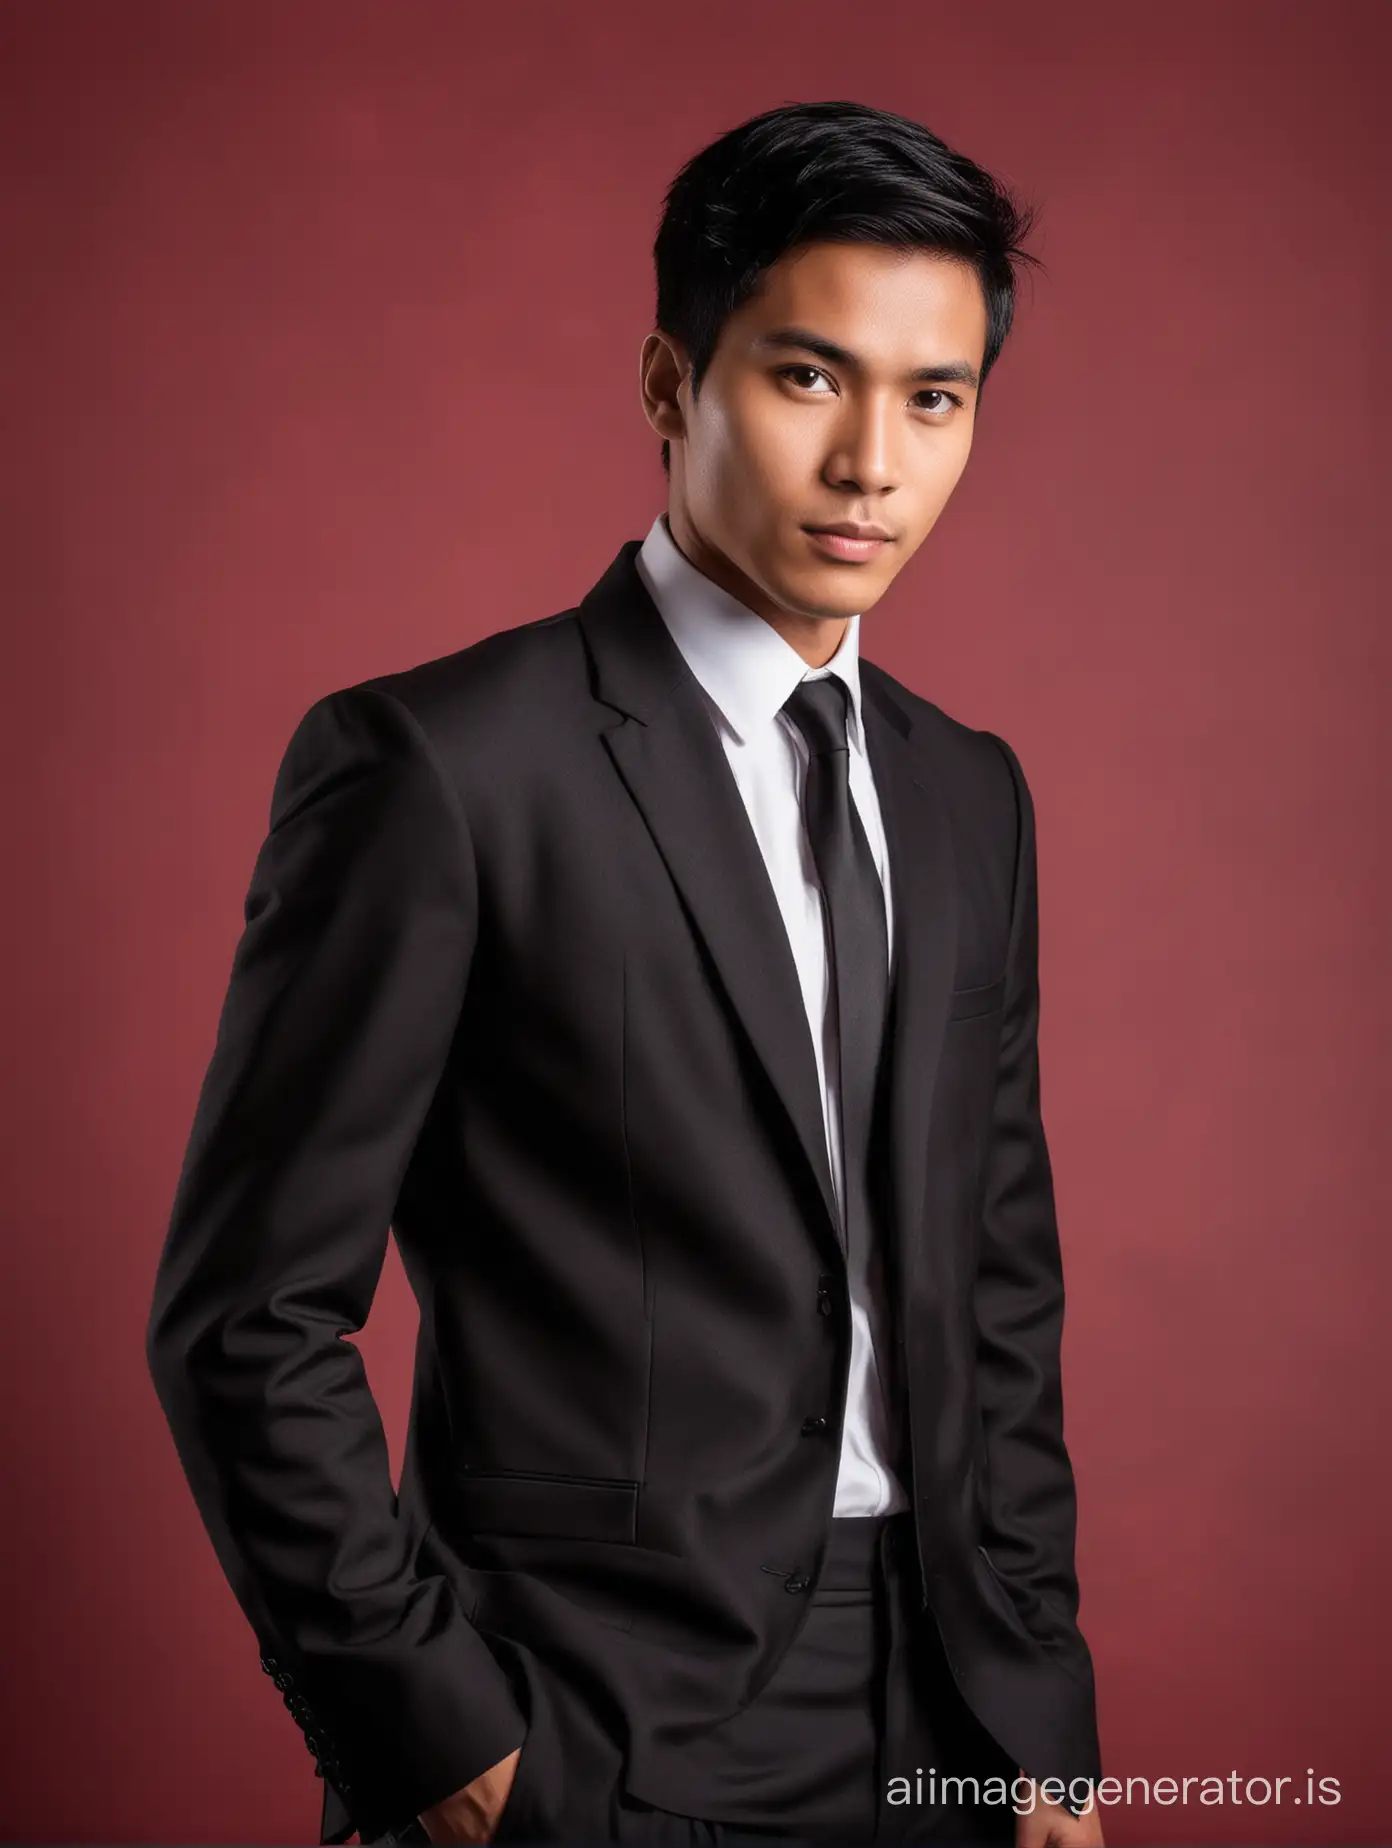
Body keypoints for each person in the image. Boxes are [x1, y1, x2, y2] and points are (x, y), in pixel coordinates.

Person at [146, 99, 1105, 1848]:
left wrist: (1044, 1709)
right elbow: (245, 1318)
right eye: (810, 378)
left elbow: (998, 1286)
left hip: (952, 1719)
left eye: (935, 398)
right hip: (590, 1728)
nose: (873, 463)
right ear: (672, 384)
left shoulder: (971, 793)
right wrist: (436, 1741)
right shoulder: (442, 768)